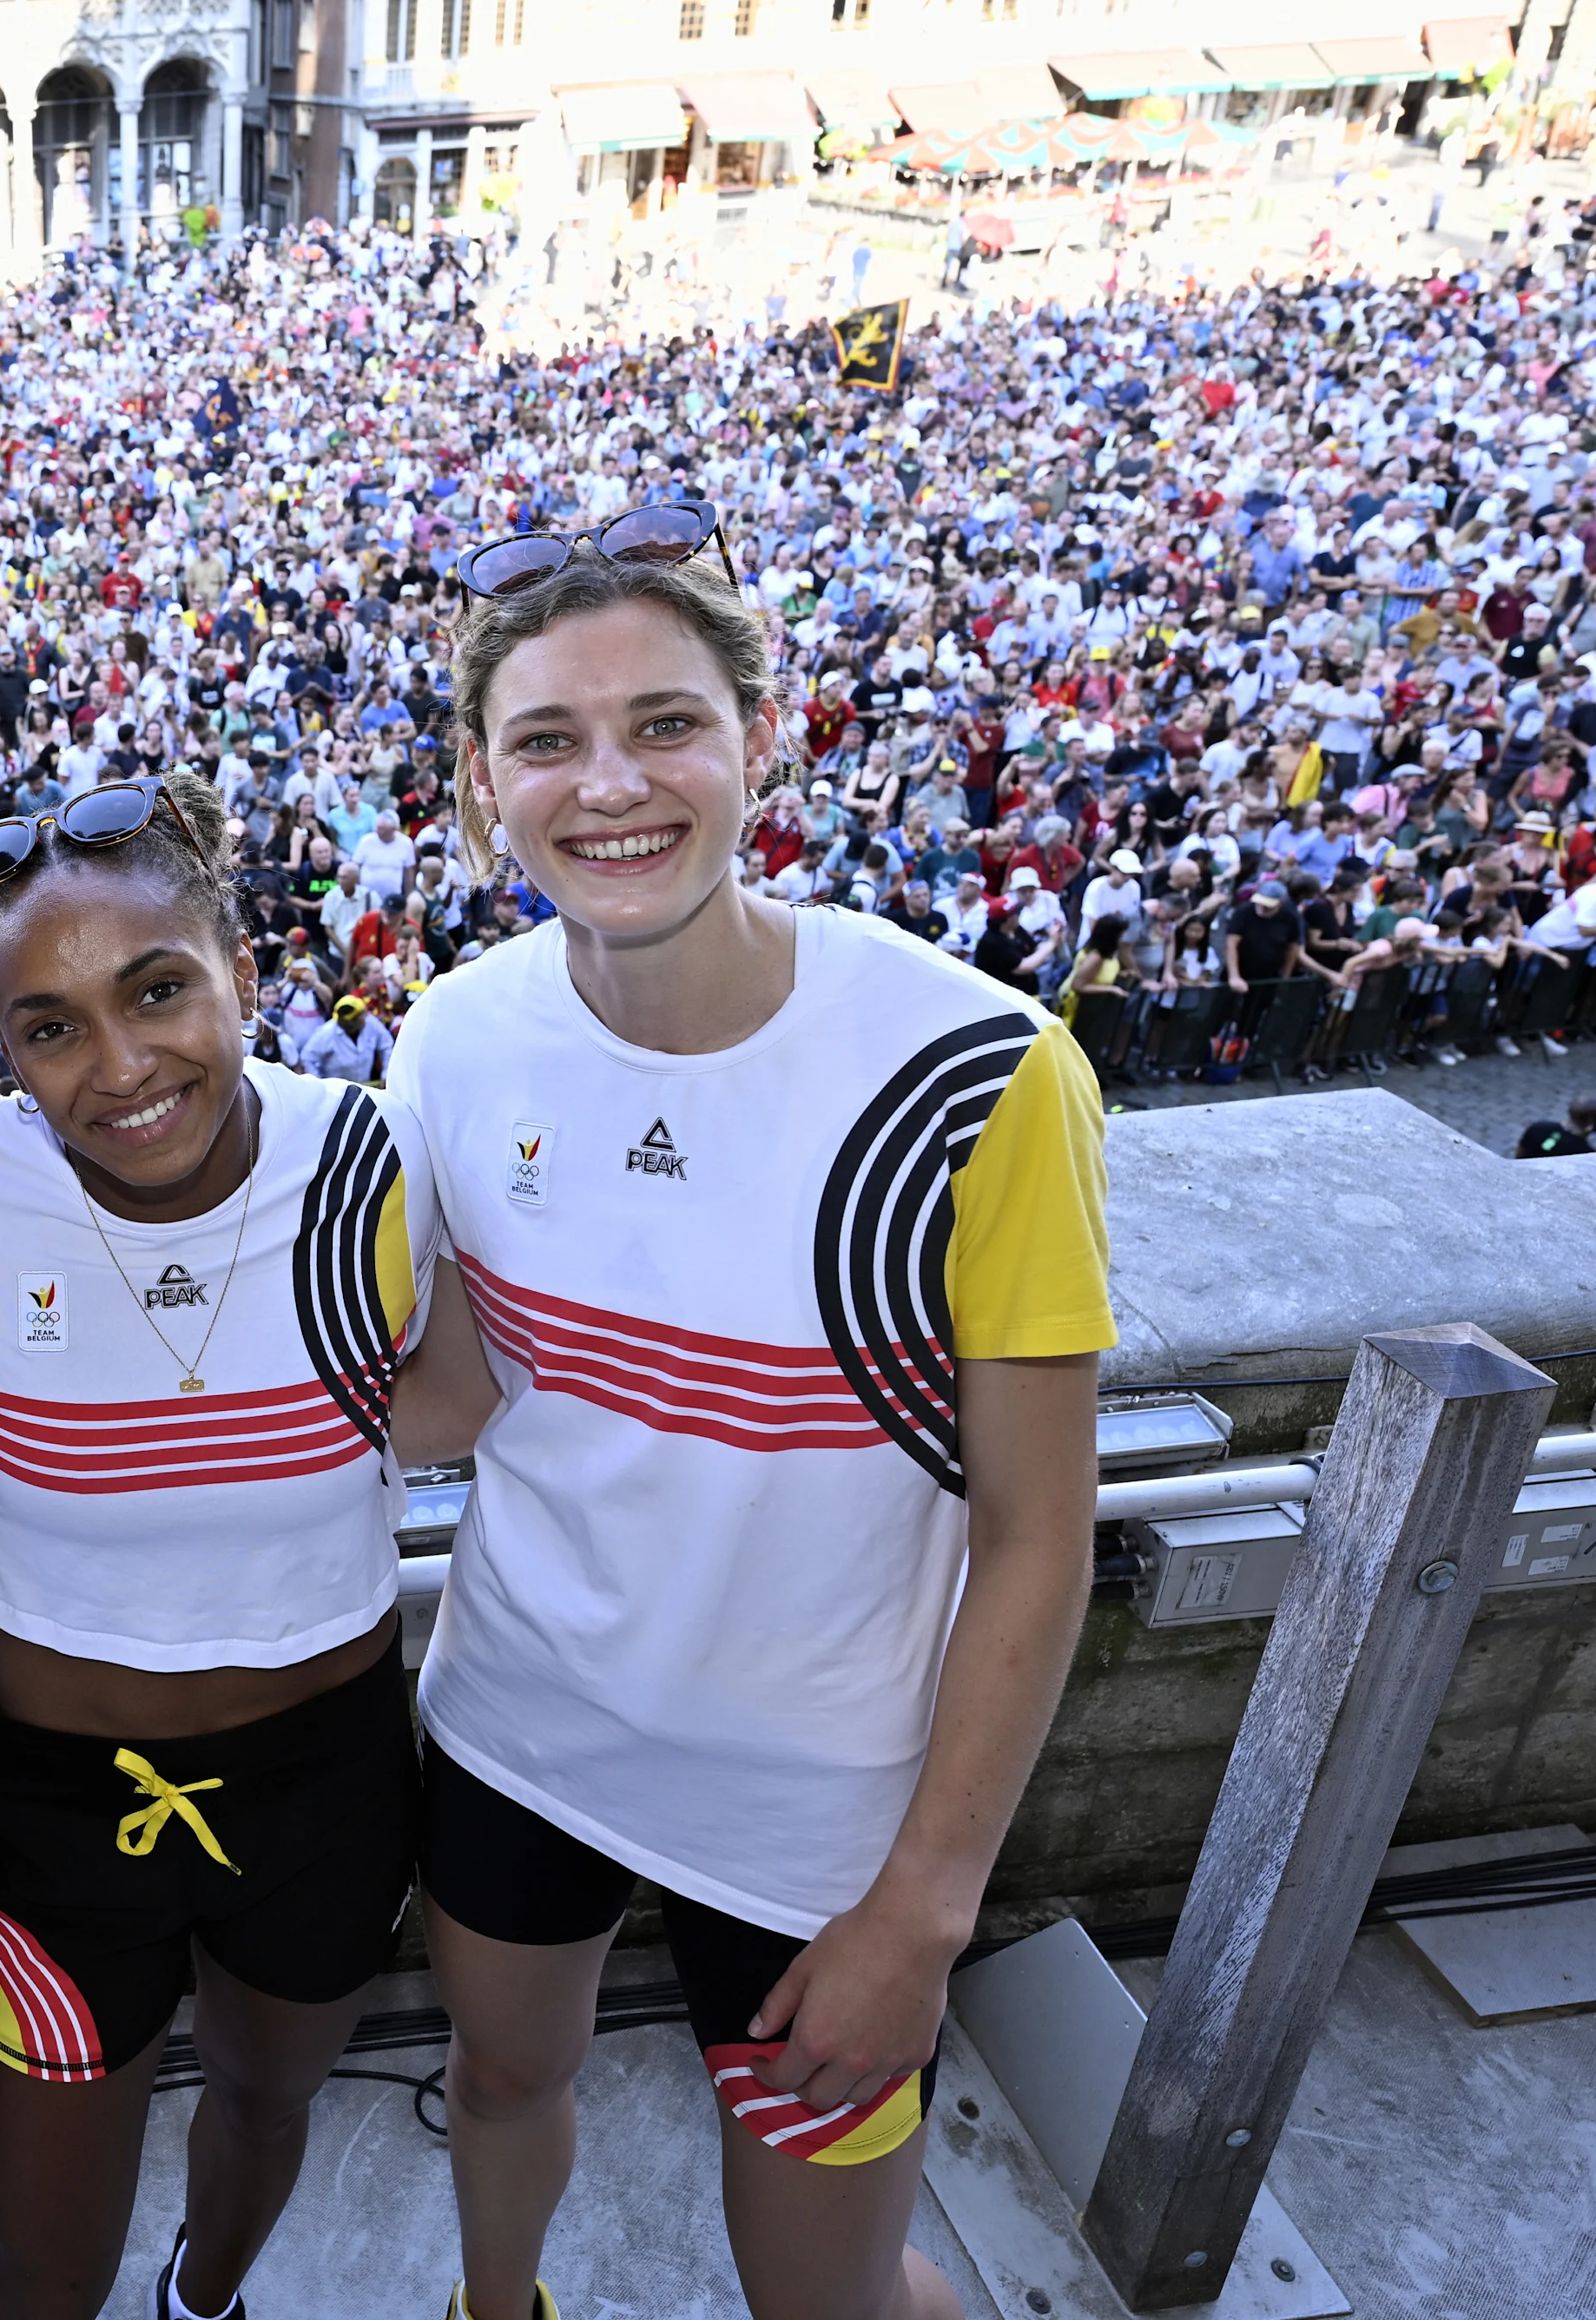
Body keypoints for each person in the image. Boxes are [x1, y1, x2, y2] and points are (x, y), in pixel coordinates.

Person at [387, 521, 1110, 2320]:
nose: (609, 785)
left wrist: (925, 1907)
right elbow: (463, 1398)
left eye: (664, 724)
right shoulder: (452, 1039)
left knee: (828, 2294)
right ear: (483, 785)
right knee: (497, 2082)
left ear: (761, 738)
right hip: (518, 1730)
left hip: (828, 1818)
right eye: (548, 740)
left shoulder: (984, 1074)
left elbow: (1035, 1532)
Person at [0, 768, 438, 2320]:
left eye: (159, 988)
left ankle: (207, 2299)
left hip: (332, 1785)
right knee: (44, 2262)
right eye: (47, 1025)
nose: (119, 1066)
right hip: (58, 1815)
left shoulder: (374, 1157)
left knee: (267, 2105)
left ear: (244, 968)